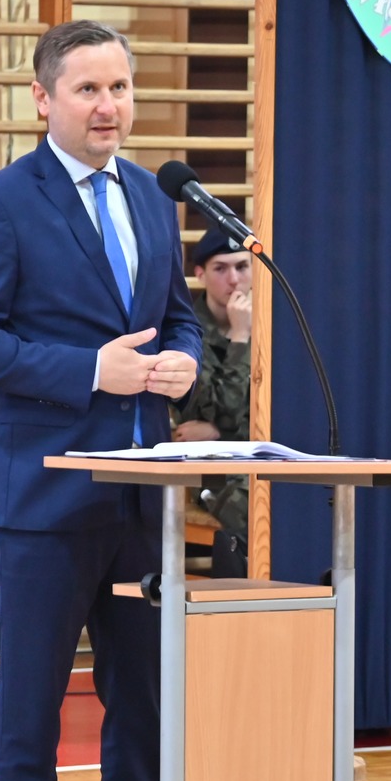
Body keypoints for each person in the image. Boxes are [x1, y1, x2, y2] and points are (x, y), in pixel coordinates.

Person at [0, 19, 202, 781]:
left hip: (141, 501)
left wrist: (183, 362)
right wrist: (90, 370)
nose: (108, 107)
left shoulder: (151, 196)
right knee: (32, 709)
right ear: (43, 99)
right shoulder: (1, 203)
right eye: (88, 89)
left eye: (120, 88)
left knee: (146, 707)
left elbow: (176, 318)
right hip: (42, 505)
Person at [172, 225, 254, 576]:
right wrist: (240, 338)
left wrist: (219, 432)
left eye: (242, 266)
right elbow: (220, 409)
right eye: (221, 268)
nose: (234, 280)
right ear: (201, 274)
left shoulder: (272, 323)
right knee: (253, 510)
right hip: (214, 469)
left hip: (265, 455)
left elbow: (284, 409)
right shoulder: (186, 333)